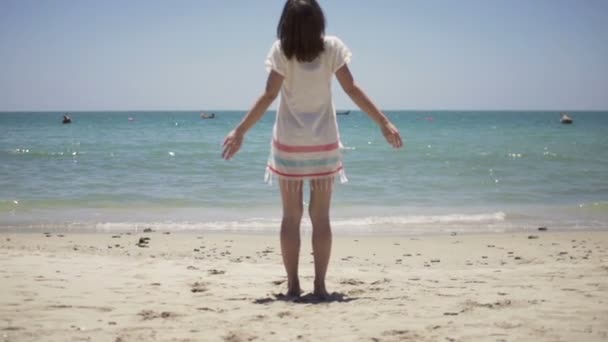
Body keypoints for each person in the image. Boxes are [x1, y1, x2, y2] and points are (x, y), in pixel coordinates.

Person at [222, 0, 402, 299]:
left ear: (286, 24)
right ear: (319, 21)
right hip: (324, 144)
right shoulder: (331, 48)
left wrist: (240, 130)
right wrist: (383, 122)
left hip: (289, 145)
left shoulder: (282, 50)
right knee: (321, 217)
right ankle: (319, 286)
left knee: (290, 217)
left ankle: (293, 285)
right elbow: (352, 89)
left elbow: (268, 95)